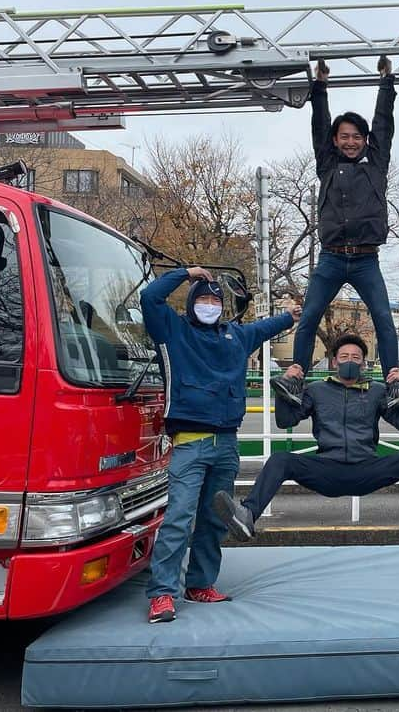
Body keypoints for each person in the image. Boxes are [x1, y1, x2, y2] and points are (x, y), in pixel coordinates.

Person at [214, 333, 399, 540]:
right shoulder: (316, 390)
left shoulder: (377, 390)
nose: (350, 361)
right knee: (280, 460)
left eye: (356, 358)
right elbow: (286, 420)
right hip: (327, 470)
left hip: (365, 469)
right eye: (344, 357)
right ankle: (247, 516)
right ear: (334, 361)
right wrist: (288, 388)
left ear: (363, 363)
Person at [142, 266, 300, 624]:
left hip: (227, 443)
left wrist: (289, 316)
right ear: (192, 303)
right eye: (204, 299)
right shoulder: (173, 329)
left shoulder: (236, 335)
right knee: (179, 518)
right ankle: (162, 593)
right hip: (190, 443)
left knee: (215, 519)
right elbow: (150, 298)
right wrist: (186, 273)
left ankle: (200, 584)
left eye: (215, 299)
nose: (210, 305)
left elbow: (266, 327)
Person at [273, 56, 399, 410]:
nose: (351, 142)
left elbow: (384, 124)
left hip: (367, 259)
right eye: (344, 137)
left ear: (365, 141)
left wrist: (386, 81)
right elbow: (318, 125)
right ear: (336, 141)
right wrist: (320, 86)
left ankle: (394, 377)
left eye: (357, 137)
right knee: (309, 317)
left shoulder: (376, 164)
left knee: (384, 317)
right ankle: (295, 373)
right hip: (332, 258)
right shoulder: (328, 164)